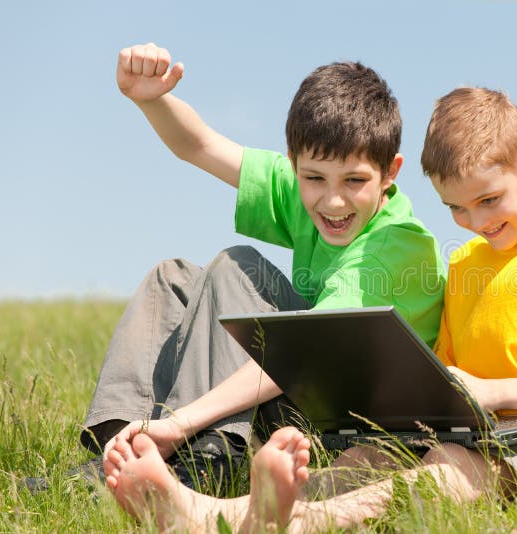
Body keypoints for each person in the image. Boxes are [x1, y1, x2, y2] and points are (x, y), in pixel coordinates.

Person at [101, 86, 517, 532]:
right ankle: (214, 512)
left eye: (489, 200)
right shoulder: (470, 264)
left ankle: (300, 523)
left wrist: (494, 393)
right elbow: (453, 383)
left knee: (454, 467)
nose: (478, 222)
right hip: (490, 429)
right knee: (374, 452)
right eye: (457, 209)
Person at [70, 42, 446, 492]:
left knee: (238, 265)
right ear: (295, 167)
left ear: (390, 173)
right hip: (309, 389)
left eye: (355, 181)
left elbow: (309, 349)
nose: (333, 200)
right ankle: (122, 448)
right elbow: (200, 144)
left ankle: (210, 453)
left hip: (356, 427)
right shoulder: (306, 191)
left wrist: (182, 422)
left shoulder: (396, 244)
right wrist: (150, 98)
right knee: (172, 279)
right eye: (314, 179)